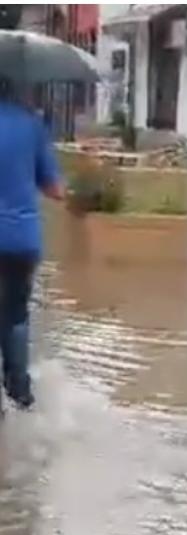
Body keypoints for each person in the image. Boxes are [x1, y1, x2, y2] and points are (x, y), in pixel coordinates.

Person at [0, 81, 66, 411]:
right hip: (19, 240)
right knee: (14, 317)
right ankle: (19, 394)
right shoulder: (31, 123)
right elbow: (55, 189)